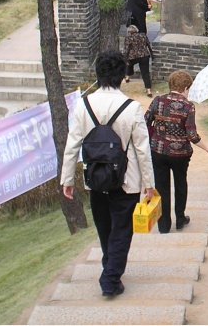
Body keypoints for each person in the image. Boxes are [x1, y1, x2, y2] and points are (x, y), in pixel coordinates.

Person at [61, 51, 154, 299]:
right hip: (127, 179)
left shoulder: (83, 105)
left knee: (105, 228)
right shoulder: (131, 107)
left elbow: (72, 145)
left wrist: (67, 180)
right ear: (123, 75)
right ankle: (110, 278)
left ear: (98, 74)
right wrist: (149, 184)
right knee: (122, 230)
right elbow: (143, 150)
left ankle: (110, 267)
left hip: (95, 177)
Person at [145, 71, 208, 234]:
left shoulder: (158, 100)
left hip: (158, 150)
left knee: (161, 186)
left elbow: (145, 122)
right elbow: (192, 135)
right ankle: (180, 217)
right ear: (185, 87)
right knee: (180, 183)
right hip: (180, 154)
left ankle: (163, 225)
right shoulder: (188, 106)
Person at [123, 24, 153, 97]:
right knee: (145, 73)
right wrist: (152, 55)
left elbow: (126, 50)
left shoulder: (128, 38)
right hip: (144, 55)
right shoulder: (143, 35)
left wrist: (125, 59)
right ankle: (148, 90)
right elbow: (148, 45)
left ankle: (127, 76)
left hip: (133, 56)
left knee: (129, 65)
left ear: (129, 32)